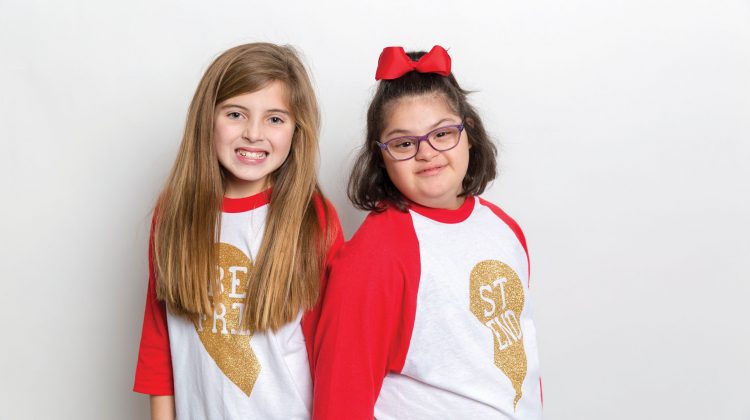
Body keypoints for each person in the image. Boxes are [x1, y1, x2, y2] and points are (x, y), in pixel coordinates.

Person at [311, 45, 542, 419]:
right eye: (404, 143)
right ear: (381, 158)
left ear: (468, 132)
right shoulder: (378, 252)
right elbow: (340, 398)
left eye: (442, 134)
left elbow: (521, 356)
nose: (426, 153)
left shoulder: (504, 228)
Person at [133, 42, 342, 420]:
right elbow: (158, 340)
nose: (253, 134)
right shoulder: (174, 213)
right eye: (235, 114)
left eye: (275, 119)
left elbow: (334, 350)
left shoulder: (313, 219)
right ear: (207, 119)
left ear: (296, 131)